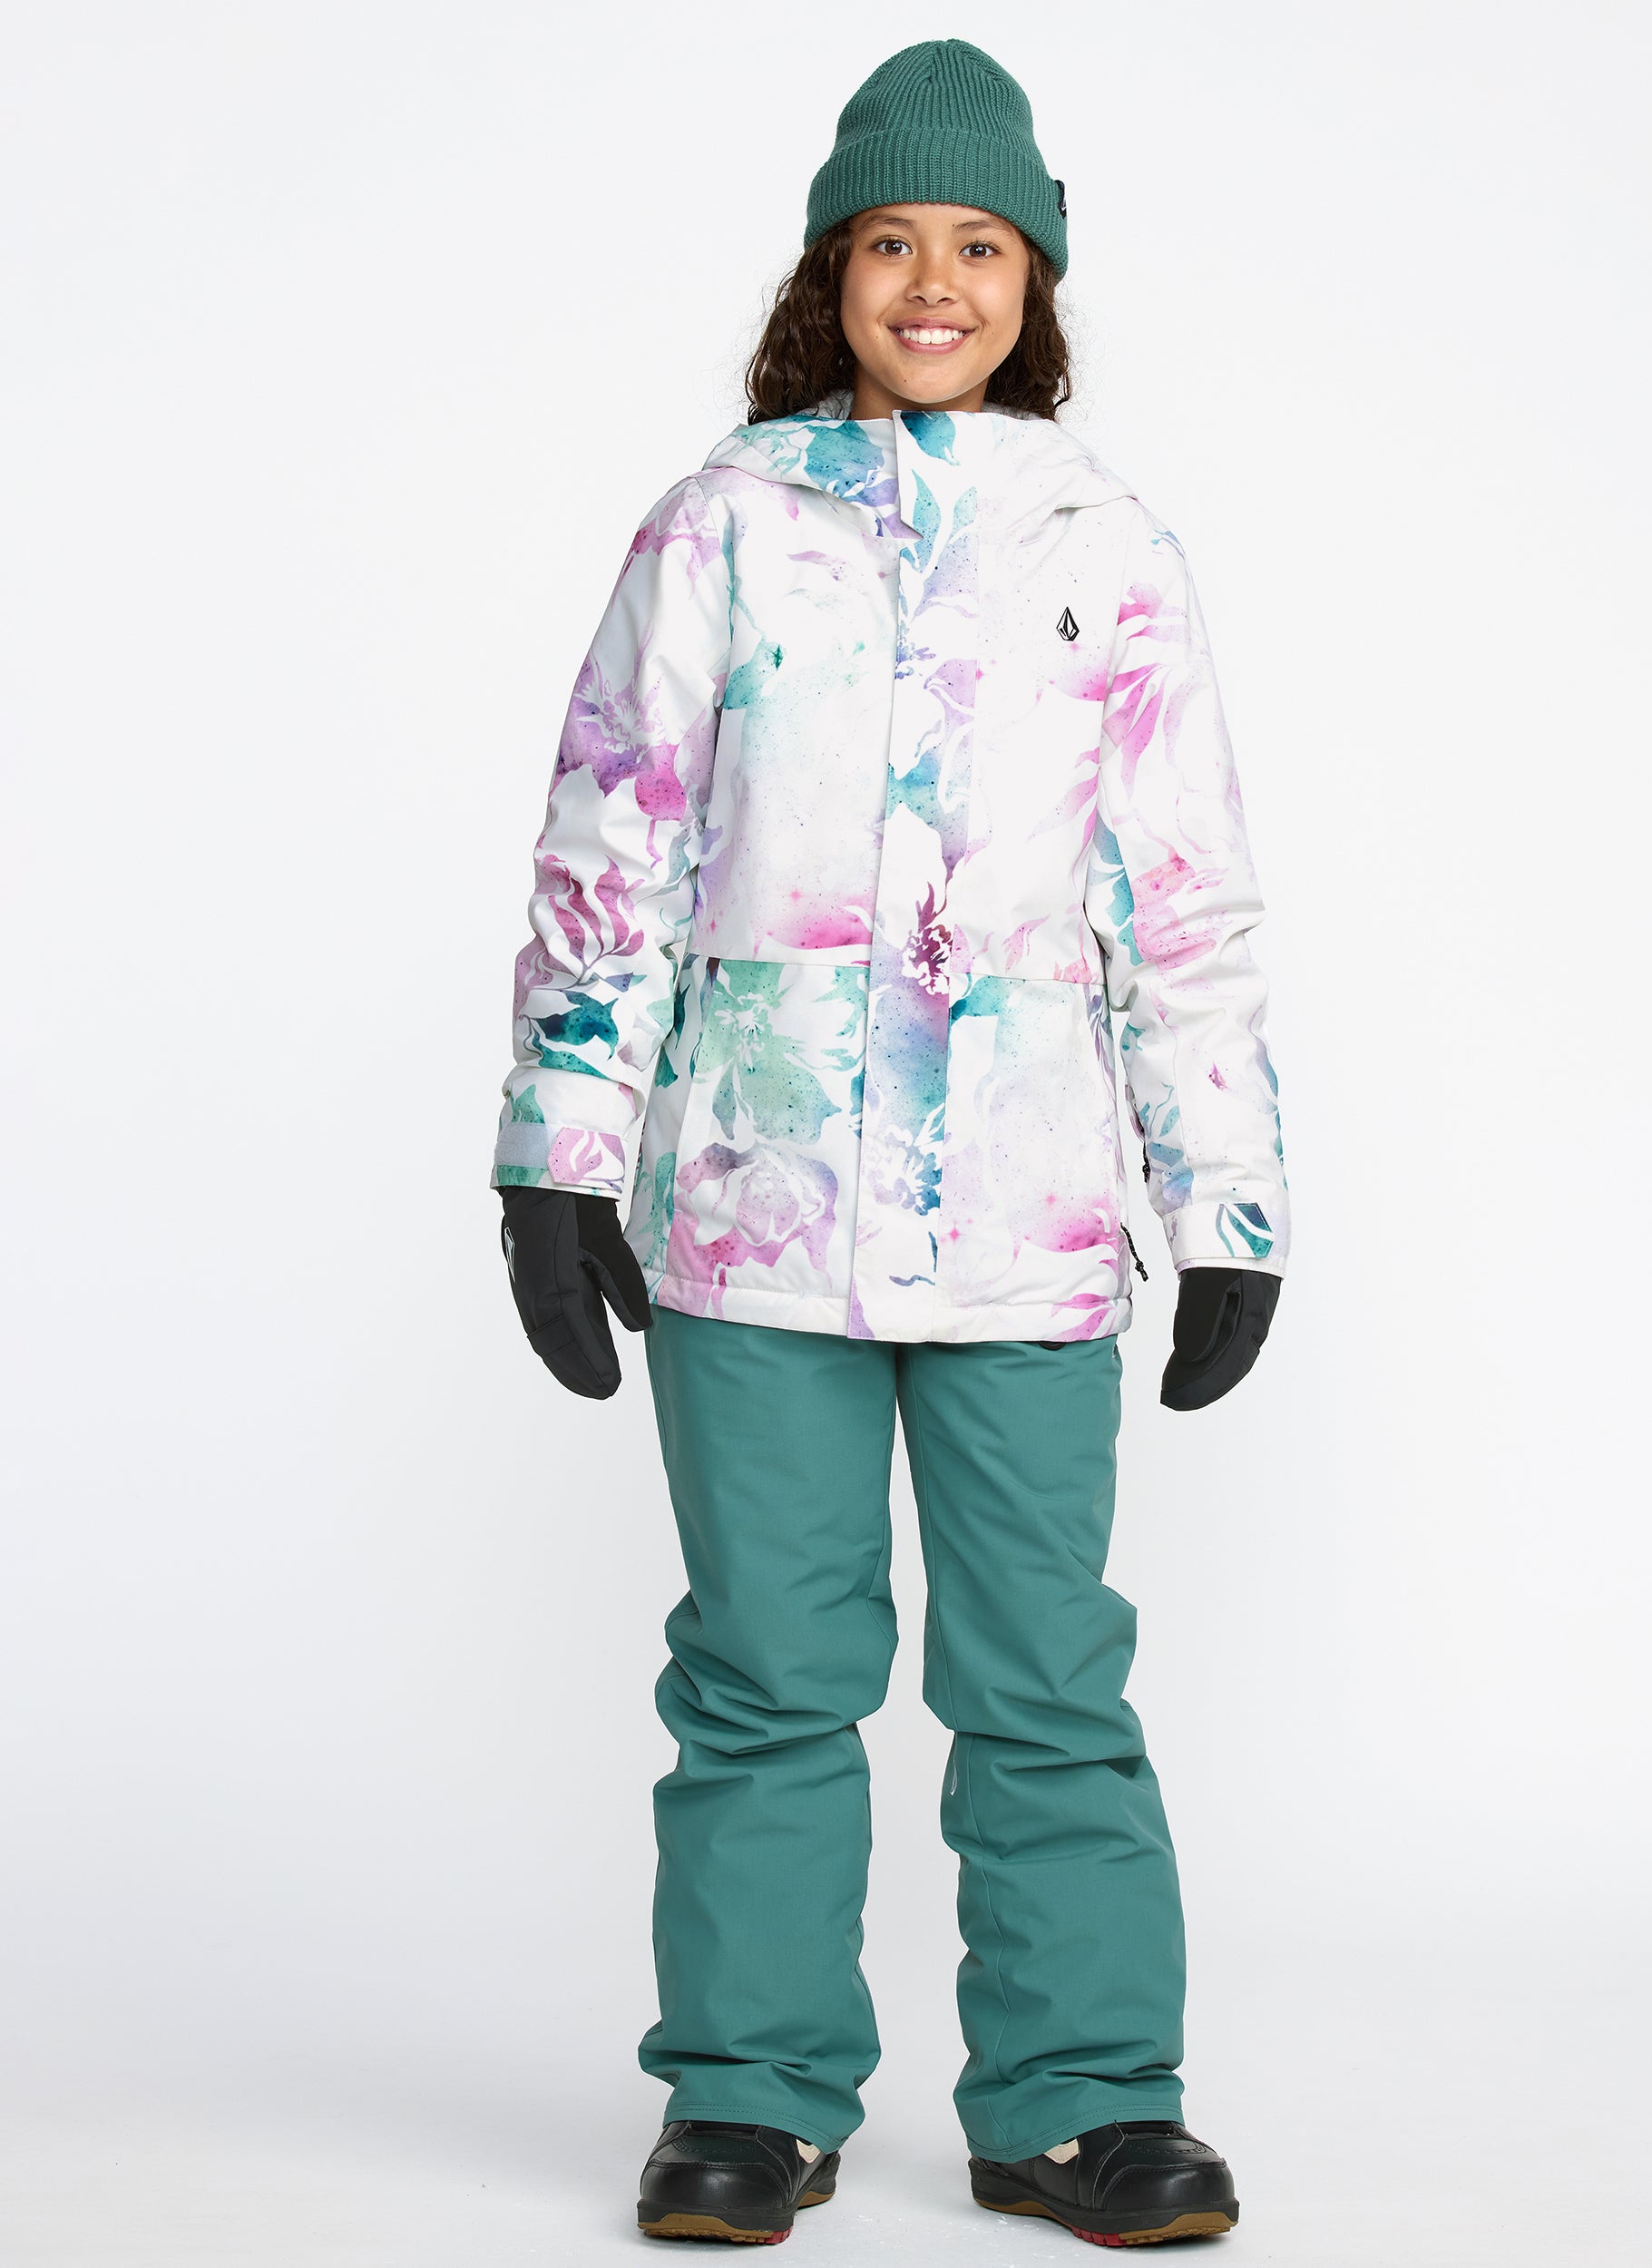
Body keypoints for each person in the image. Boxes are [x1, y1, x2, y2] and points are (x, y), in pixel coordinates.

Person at [494, 38, 1288, 2250]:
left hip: (1028, 1223)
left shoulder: (1109, 548)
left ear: (1032, 283)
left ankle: (1081, 2098)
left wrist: (1223, 1200)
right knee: (766, 1668)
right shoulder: (721, 527)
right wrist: (556, 1151)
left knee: (1045, 1676)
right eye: (889, 242)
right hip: (756, 1213)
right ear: (829, 274)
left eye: (977, 246)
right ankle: (750, 2093)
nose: (932, 282)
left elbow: (1185, 897)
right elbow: (612, 841)